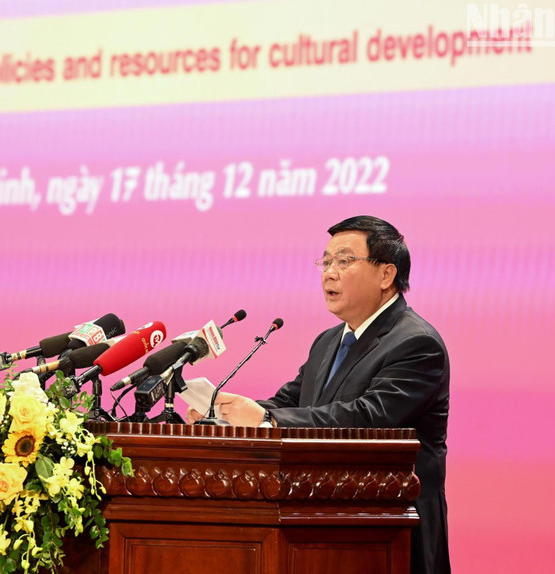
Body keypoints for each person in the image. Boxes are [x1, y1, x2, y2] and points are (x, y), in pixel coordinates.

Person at [187, 215, 451, 574]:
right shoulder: (329, 341)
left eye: (344, 261)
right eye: (326, 262)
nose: (329, 272)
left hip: (390, 532)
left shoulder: (416, 343)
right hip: (322, 525)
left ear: (386, 275)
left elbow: (368, 419)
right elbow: (290, 403)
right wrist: (225, 415)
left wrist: (267, 419)